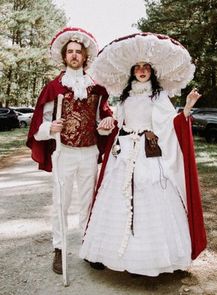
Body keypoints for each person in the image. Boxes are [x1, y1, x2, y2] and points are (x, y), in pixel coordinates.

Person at [79, 33, 207, 277]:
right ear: (132, 73)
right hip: (125, 151)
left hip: (149, 153)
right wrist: (107, 124)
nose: (141, 71)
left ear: (151, 71)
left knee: (149, 188)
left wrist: (188, 107)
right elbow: (118, 124)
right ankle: (108, 253)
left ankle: (154, 259)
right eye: (137, 68)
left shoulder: (159, 96)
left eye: (145, 67)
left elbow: (171, 124)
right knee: (117, 195)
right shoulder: (125, 98)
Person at [26, 27, 114, 275]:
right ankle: (59, 248)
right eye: (70, 52)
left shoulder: (97, 88)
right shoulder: (54, 87)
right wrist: (49, 127)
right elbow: (39, 124)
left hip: (88, 152)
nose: (75, 55)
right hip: (64, 152)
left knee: (88, 203)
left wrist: (106, 126)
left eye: (79, 52)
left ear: (85, 56)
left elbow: (102, 123)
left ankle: (89, 246)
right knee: (61, 203)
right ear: (64, 56)